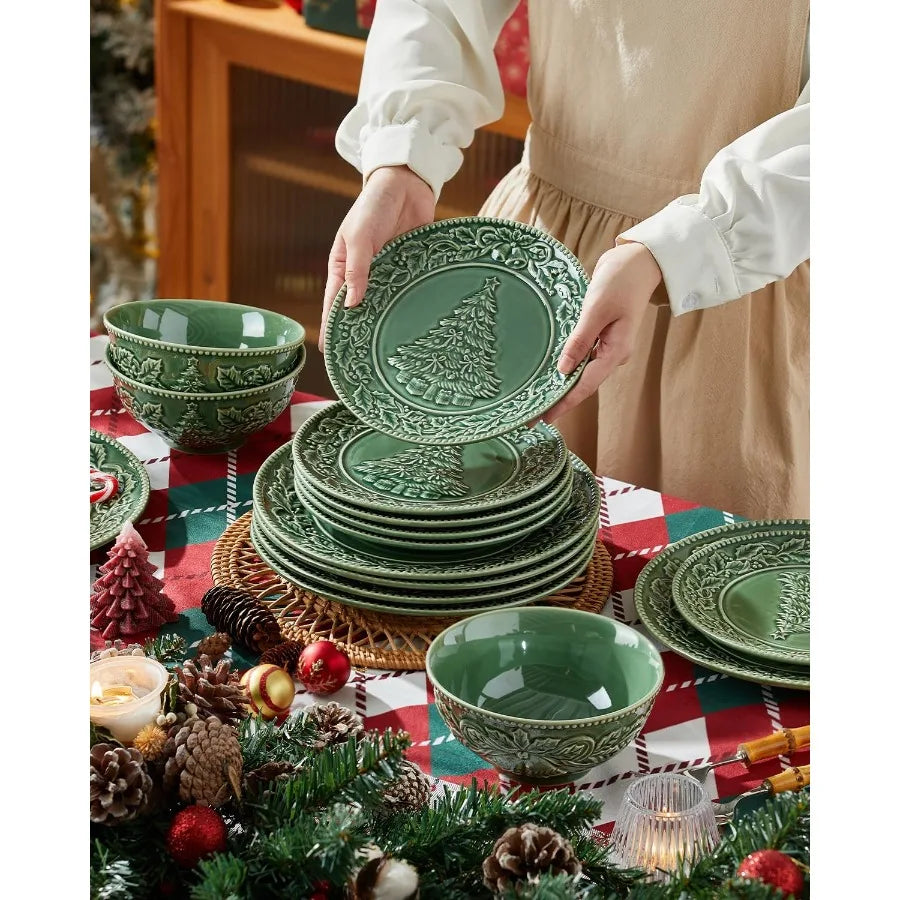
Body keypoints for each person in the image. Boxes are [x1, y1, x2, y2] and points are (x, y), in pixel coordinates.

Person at [320, 0, 810, 519]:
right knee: (493, 558)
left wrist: (685, 244)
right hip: (536, 271)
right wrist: (401, 157)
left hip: (733, 285)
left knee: (692, 573)